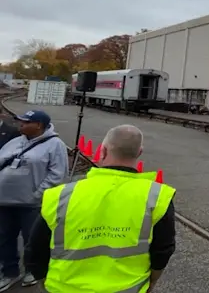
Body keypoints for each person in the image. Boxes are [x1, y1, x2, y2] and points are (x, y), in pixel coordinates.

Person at [24, 124, 177, 293]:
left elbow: (34, 251)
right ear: (139, 153)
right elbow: (162, 251)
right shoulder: (158, 197)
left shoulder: (60, 196)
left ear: (102, 151)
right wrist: (151, 283)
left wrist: (44, 282)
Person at [0, 110, 68, 292]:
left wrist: (37, 194)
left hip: (32, 204)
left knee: (32, 239)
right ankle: (9, 272)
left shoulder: (55, 145)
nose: (20, 124)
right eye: (20, 121)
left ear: (39, 125)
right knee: (4, 238)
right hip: (4, 201)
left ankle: (32, 270)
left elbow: (57, 174)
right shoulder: (15, 142)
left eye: (25, 122)